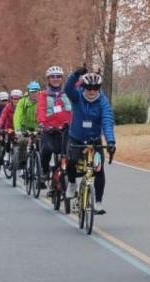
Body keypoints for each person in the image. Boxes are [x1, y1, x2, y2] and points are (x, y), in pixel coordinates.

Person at [64, 66, 116, 215]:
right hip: (76, 137)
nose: (92, 91)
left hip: (94, 141)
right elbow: (68, 89)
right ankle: (72, 184)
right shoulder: (77, 96)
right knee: (71, 161)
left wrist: (111, 142)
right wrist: (76, 74)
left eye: (95, 88)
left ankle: (98, 202)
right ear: (84, 87)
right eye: (89, 88)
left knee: (99, 170)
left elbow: (107, 121)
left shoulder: (103, 101)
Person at [37, 66, 72, 189]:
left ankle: (65, 175)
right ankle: (45, 171)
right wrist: (42, 122)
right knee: (46, 150)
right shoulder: (43, 95)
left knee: (70, 153)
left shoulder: (68, 92)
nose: (56, 79)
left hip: (66, 128)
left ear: (62, 78)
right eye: (53, 76)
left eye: (58, 76)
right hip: (50, 128)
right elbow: (41, 109)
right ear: (48, 79)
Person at [13, 81, 40, 171]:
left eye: (36, 91)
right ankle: (22, 161)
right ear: (28, 92)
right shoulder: (22, 102)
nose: (34, 93)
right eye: (32, 91)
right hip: (25, 127)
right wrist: (17, 129)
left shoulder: (42, 101)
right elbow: (17, 115)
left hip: (38, 127)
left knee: (42, 144)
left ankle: (40, 167)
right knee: (22, 142)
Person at [0, 89, 23, 165]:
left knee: (22, 143)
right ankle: (6, 155)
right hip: (9, 128)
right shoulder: (7, 107)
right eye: (14, 98)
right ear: (11, 99)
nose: (15, 100)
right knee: (7, 140)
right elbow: (2, 117)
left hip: (20, 128)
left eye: (17, 99)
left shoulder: (23, 107)